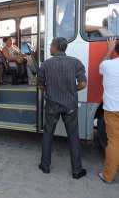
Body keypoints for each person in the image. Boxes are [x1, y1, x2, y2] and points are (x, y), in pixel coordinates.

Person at [37, 37, 87, 179]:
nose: (49, 48)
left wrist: (51, 90)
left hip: (52, 105)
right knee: (73, 137)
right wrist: (72, 90)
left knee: (48, 135)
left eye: (51, 46)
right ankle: (77, 171)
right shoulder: (75, 62)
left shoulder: (45, 64)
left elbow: (40, 86)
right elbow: (83, 84)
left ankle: (45, 166)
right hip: (70, 105)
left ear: (55, 48)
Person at [98, 37, 119, 184]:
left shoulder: (107, 65)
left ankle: (108, 175)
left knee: (114, 142)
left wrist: (110, 49)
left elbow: (101, 66)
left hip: (112, 110)